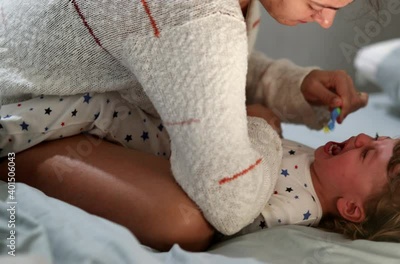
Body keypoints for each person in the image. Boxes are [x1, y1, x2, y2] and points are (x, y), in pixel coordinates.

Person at [0, 0, 371, 236]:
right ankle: (13, 158)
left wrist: (296, 85)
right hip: (21, 100)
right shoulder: (195, 13)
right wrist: (261, 125)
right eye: (324, 3)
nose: (326, 21)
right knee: (185, 221)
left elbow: (185, 62)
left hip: (59, 86)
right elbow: (230, 203)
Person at [0, 94, 400, 251]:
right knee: (91, 108)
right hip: (171, 133)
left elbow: (230, 215)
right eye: (371, 137)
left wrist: (260, 124)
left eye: (366, 155)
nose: (358, 140)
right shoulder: (317, 162)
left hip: (156, 151)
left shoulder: (295, 207)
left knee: (94, 110)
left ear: (352, 209)